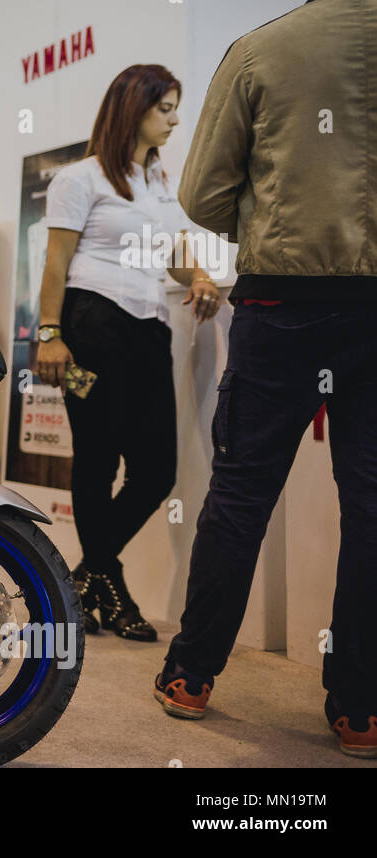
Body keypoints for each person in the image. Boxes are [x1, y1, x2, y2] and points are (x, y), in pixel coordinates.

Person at [156, 0, 377, 758]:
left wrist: (273, 217)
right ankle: (359, 708)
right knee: (374, 509)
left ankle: (191, 674)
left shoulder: (260, 50)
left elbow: (201, 197)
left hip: (286, 301)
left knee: (242, 492)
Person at [34, 64, 219, 641]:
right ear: (131, 109)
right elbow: (57, 264)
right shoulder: (80, 178)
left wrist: (204, 278)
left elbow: (174, 254)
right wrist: (48, 332)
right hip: (91, 326)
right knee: (96, 460)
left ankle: (83, 578)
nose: (174, 119)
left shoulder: (160, 181)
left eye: (173, 108)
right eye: (164, 108)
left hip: (148, 329)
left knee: (155, 470)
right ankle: (108, 586)